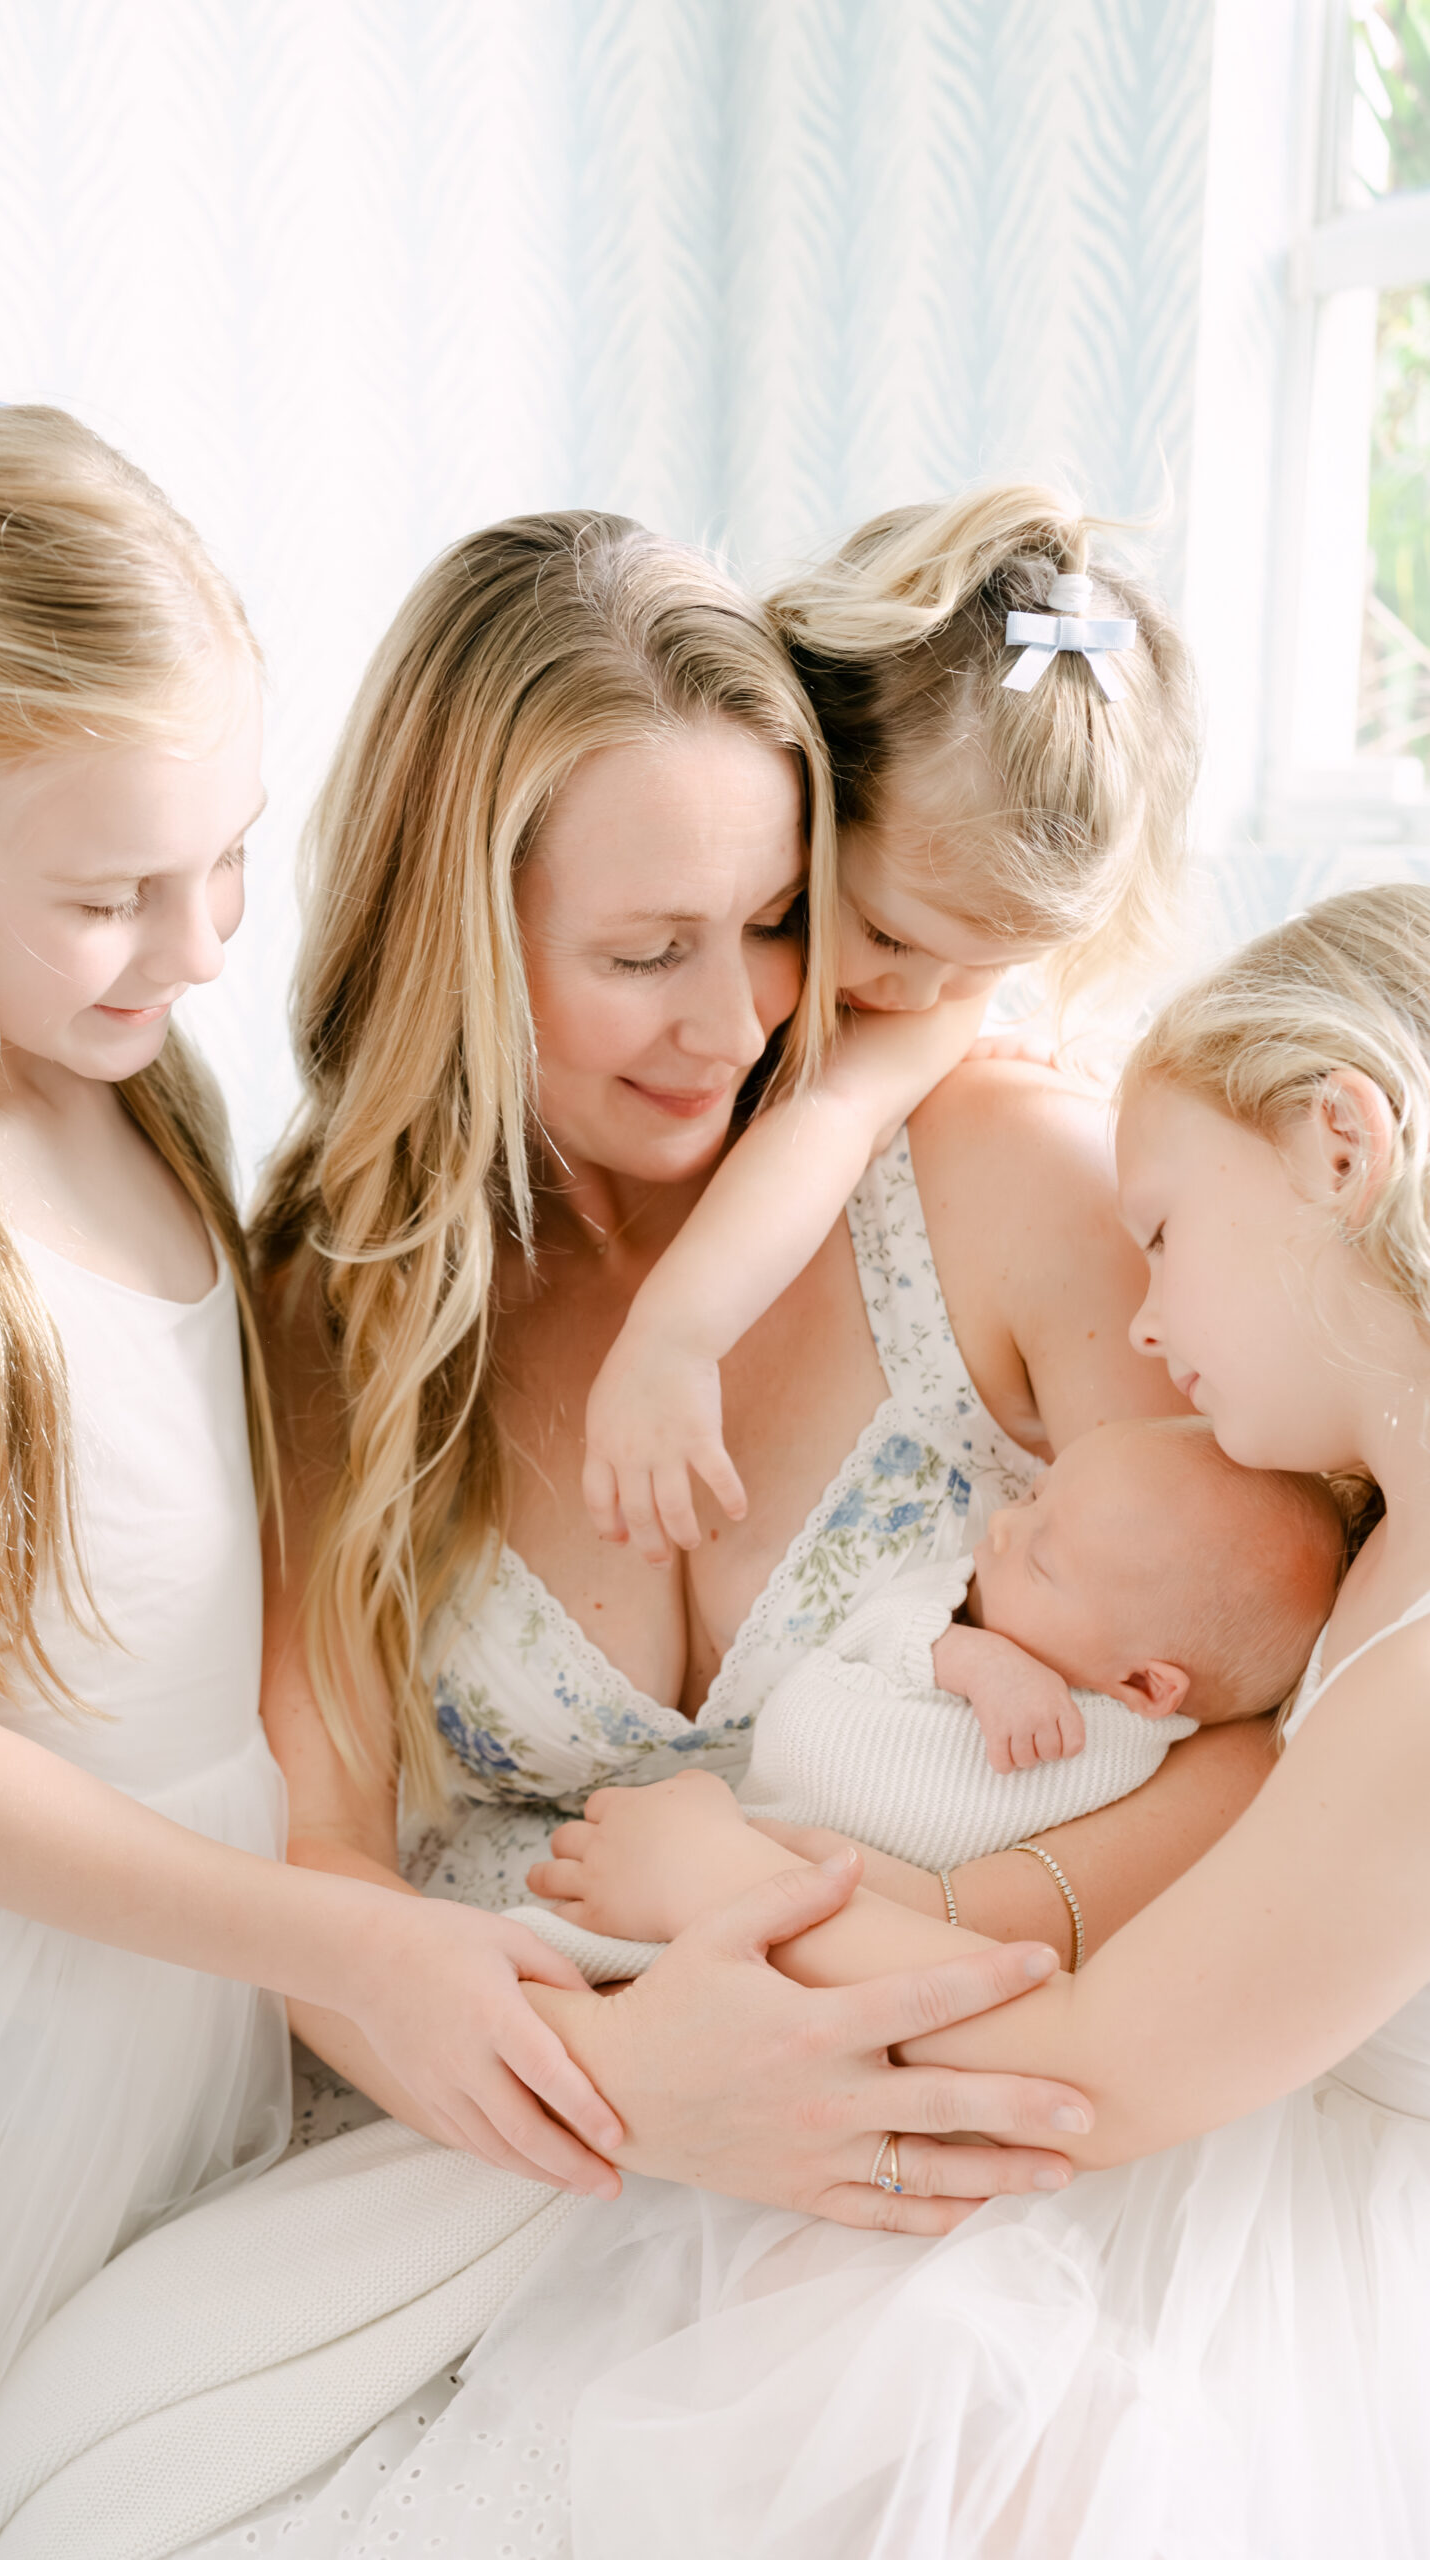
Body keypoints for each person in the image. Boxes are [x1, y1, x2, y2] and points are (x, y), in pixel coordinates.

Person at [0, 405, 621, 2560]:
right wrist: (328, 1929)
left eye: (228, 853)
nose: (202, 939)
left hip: (190, 1948)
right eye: (116, 891)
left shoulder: (135, 1092)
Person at [329, 882, 1430, 2560]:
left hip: (1266, 2266)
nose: (1137, 1320)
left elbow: (1082, 2077)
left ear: (1339, 1148)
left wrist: (727, 1890)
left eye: (1159, 1232)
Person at [581, 507, 1193, 1566]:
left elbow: (824, 1117)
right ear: (810, 786)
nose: (924, 997)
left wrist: (671, 1339)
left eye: (985, 964)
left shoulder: (924, 1027)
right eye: (887, 937)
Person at [530, 1418, 1345, 1959]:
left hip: (842, 1917)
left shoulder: (1143, 1748)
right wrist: (971, 1659)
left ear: (1144, 1683)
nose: (1001, 1526)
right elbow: (870, 1635)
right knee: (566, 1950)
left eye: (1039, 1559)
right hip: (758, 1824)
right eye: (1032, 1498)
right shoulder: (959, 1609)